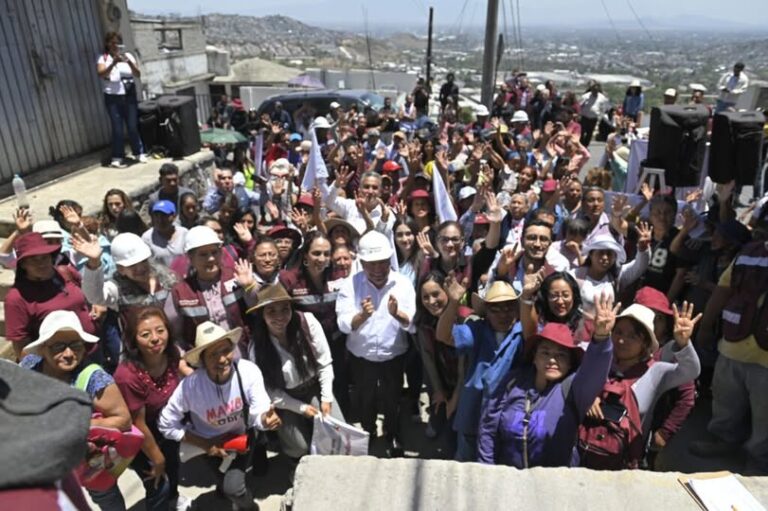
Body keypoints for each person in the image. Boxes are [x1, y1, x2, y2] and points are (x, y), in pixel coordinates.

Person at [158, 321, 282, 511]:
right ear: (202, 360)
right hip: (207, 444)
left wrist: (266, 420)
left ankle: (248, 507)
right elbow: (166, 424)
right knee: (222, 478)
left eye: (226, 350)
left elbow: (259, 411)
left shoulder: (248, 371)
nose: (223, 359)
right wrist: (204, 444)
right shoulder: (190, 387)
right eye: (213, 354)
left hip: (241, 440)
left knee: (233, 489)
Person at [478, 297, 615, 467]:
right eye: (545, 353)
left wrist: (601, 338)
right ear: (534, 356)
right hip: (509, 479)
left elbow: (594, 374)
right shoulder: (513, 382)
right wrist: (487, 470)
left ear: (570, 362)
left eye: (560, 355)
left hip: (554, 485)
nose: (552, 360)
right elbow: (488, 428)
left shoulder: (572, 389)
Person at [19, 311, 133, 510]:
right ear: (42, 349)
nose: (69, 354)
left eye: (76, 345)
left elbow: (123, 420)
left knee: (104, 494)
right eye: (58, 347)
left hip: (86, 459)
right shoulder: (29, 366)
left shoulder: (94, 378)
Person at [579, 302, 701, 469]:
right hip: (583, 452)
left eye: (633, 336)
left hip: (625, 460)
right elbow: (572, 381)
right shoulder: (597, 358)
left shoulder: (656, 372)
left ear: (645, 343)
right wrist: (588, 396)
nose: (622, 340)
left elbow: (691, 370)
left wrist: (683, 344)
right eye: (618, 332)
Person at [691, 228, 768, 474]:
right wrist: (705, 326)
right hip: (733, 346)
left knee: (765, 417)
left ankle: (758, 461)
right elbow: (724, 289)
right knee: (726, 402)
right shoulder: (748, 253)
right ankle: (722, 441)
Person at [96, 308, 187, 511]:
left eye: (160, 330)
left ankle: (173, 502)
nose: (155, 339)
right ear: (133, 340)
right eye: (145, 334)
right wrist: (157, 457)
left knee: (173, 470)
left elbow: (180, 366)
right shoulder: (128, 375)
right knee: (158, 484)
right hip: (139, 437)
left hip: (166, 427)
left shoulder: (171, 353)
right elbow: (138, 423)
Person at [336, 231, 416, 457]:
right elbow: (343, 322)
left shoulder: (403, 283)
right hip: (362, 357)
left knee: (393, 397)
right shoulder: (350, 285)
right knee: (365, 397)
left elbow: (411, 322)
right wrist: (361, 316)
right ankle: (368, 431)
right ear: (362, 263)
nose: (378, 270)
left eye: (383, 263)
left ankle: (393, 434)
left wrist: (397, 314)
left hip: (393, 355)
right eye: (372, 265)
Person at [247, 284, 343, 466]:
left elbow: (325, 363)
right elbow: (269, 390)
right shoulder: (257, 347)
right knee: (299, 446)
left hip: (314, 386)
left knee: (336, 427)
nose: (280, 317)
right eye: (271, 311)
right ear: (262, 314)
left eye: (285, 309)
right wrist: (300, 408)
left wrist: (326, 398)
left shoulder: (307, 322)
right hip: (284, 397)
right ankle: (295, 463)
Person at [435, 278, 523, 462]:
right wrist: (453, 303)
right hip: (473, 413)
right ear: (486, 312)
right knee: (464, 469)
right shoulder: (477, 330)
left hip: (507, 417)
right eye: (495, 309)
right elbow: (443, 336)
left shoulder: (522, 332)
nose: (502, 314)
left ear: (516, 309)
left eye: (508, 307)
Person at [279, 231, 349, 415]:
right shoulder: (289, 280)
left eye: (327, 253)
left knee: (339, 383)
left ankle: (341, 423)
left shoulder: (338, 275)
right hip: (307, 347)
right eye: (316, 253)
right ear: (305, 256)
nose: (322, 258)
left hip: (337, 343)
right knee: (316, 388)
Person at [5, 232, 96, 359]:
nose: (41, 263)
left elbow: (86, 296)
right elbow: (21, 345)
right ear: (23, 264)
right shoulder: (17, 298)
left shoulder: (66, 273)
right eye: (33, 260)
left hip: (92, 352)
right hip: (58, 364)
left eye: (44, 257)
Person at [165, 226, 256, 353]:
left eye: (214, 252)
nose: (211, 258)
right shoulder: (180, 292)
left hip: (244, 353)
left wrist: (250, 287)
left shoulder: (238, 276)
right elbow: (174, 336)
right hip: (204, 363)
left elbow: (259, 311)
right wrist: (183, 361)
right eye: (203, 254)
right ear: (190, 258)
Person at [415, 272, 466, 454]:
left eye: (436, 294)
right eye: (425, 297)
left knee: (456, 427)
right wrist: (437, 389)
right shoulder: (423, 323)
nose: (431, 301)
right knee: (440, 407)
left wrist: (454, 399)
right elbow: (427, 358)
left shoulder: (462, 320)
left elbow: (464, 367)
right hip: (441, 376)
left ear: (448, 292)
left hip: (462, 382)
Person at [96, 31, 146, 168]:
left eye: (117, 42)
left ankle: (139, 152)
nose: (115, 45)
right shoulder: (103, 58)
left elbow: (137, 73)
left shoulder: (128, 55)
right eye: (112, 43)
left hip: (129, 94)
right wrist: (113, 63)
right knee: (117, 127)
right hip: (113, 96)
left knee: (132, 125)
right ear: (107, 44)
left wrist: (129, 62)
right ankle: (118, 156)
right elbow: (101, 73)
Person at [142, 200, 188, 268]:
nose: (160, 220)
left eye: (164, 216)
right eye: (156, 215)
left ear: (174, 216)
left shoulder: (184, 233)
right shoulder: (147, 238)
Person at [579, 81, 610, 147]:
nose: (594, 91)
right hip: (585, 117)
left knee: (589, 133)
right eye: (593, 89)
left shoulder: (602, 98)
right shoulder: (585, 96)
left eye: (596, 90)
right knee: (582, 132)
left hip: (594, 118)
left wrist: (601, 115)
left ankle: (585, 146)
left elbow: (604, 108)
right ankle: (580, 145)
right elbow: (580, 106)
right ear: (591, 89)